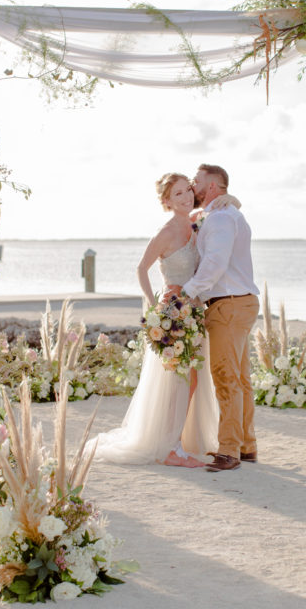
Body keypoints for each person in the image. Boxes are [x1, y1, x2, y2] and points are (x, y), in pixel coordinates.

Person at [94, 174, 220, 467]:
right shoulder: (164, 233)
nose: (186, 197)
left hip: (195, 312)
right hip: (174, 312)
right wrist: (154, 307)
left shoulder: (196, 224)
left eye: (188, 191)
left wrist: (228, 200)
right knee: (179, 379)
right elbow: (141, 268)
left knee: (194, 379)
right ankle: (171, 448)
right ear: (166, 201)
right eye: (178, 194)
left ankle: (181, 440)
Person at [168, 164, 259, 473]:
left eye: (197, 180)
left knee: (226, 377)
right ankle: (246, 445)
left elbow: (215, 263)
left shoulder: (221, 217)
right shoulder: (220, 214)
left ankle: (230, 450)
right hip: (239, 302)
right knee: (240, 377)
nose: (193, 185)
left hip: (229, 304)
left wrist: (188, 293)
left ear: (213, 186)